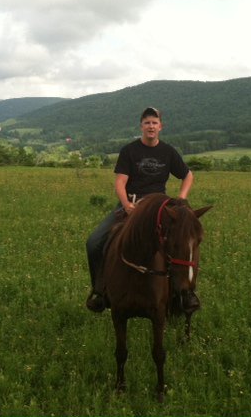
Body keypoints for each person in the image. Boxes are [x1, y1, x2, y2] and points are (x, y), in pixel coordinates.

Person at [85, 106, 199, 313]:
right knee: (94, 242)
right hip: (132, 205)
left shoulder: (168, 151)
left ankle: (184, 294)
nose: (151, 126)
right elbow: (120, 182)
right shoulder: (129, 151)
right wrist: (127, 205)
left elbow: (188, 175)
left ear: (161, 127)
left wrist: (181, 199)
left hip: (160, 209)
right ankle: (100, 291)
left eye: (155, 123)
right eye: (147, 122)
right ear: (141, 126)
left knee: (181, 244)